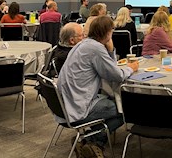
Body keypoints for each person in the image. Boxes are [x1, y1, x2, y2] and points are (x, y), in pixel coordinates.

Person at [58, 16, 138, 156]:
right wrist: (131, 68)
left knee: (112, 102)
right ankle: (93, 140)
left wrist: (110, 50)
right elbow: (116, 75)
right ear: (108, 33)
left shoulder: (83, 44)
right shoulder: (95, 49)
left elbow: (110, 69)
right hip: (79, 106)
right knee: (127, 108)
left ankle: (88, 140)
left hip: (65, 103)